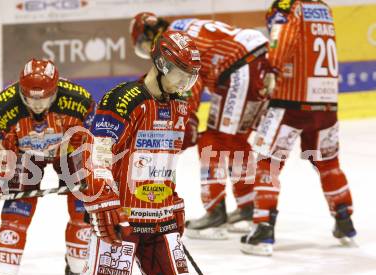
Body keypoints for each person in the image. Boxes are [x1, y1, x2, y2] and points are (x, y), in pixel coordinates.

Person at [73, 30, 200, 275]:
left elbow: (164, 161)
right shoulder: (123, 99)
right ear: (162, 63)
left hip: (161, 217)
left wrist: (174, 202)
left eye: (191, 76)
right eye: (182, 73)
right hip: (121, 218)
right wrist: (104, 204)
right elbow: (96, 156)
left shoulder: (181, 105)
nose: (185, 82)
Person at [130, 13, 274, 239]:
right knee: (235, 140)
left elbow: (186, 83)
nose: (148, 50)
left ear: (149, 34)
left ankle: (215, 209)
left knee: (212, 140)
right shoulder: (183, 26)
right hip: (258, 62)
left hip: (239, 68)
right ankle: (248, 205)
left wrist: (186, 120)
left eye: (143, 44)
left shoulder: (173, 41)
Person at [0, 59, 95, 275]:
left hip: (69, 151)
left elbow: (96, 142)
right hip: (24, 157)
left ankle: (75, 274)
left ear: (56, 90)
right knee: (16, 214)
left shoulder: (80, 101)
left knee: (83, 211)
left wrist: (93, 177)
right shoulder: (3, 107)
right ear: (20, 91)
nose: (38, 105)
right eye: (31, 98)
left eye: (44, 98)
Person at [240, 0, 357, 256]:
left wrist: (271, 69)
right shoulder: (325, 8)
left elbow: (280, 37)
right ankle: (345, 222)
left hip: (290, 102)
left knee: (267, 163)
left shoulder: (287, 6)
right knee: (329, 164)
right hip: (327, 103)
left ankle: (262, 230)